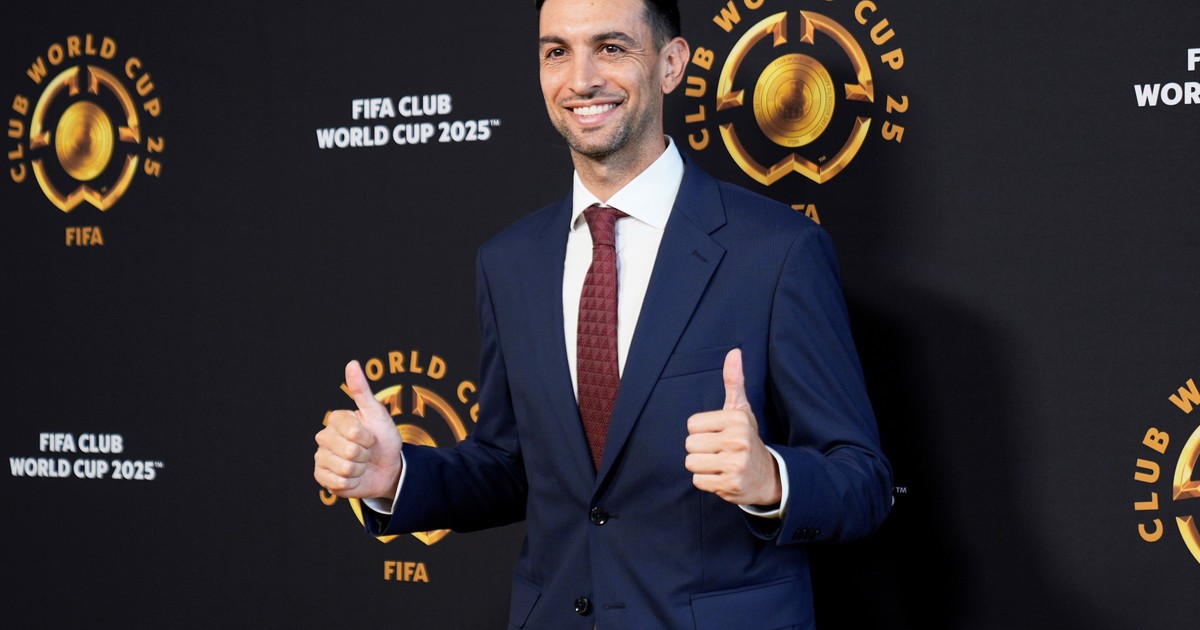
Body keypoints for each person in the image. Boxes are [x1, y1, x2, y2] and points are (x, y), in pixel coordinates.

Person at [313, 0, 893, 627]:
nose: (581, 79)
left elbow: (862, 480)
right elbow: (510, 466)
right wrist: (398, 476)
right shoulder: (509, 261)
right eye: (556, 52)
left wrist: (772, 480)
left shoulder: (778, 251)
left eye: (611, 48)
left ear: (671, 64)